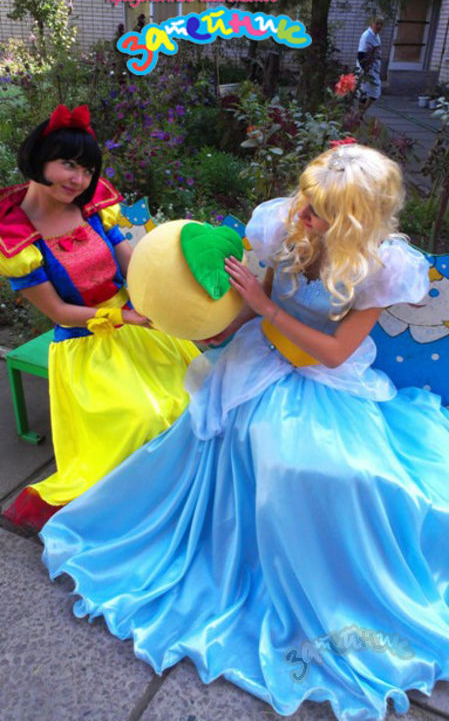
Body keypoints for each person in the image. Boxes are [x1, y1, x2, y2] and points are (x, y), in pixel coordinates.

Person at [41, 144, 449, 720]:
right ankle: (235, 554)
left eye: (317, 212)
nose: (300, 214)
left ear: (352, 223)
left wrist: (264, 307)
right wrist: (219, 327)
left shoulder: (381, 268)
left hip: (323, 379)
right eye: (305, 200)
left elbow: (333, 354)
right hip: (260, 360)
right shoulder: (283, 225)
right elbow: (253, 305)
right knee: (240, 439)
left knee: (326, 471)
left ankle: (316, 580)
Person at [0, 104, 199, 531]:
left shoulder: (91, 205)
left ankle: (187, 491)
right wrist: (123, 317)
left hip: (138, 323)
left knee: (193, 391)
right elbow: (58, 311)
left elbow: (129, 261)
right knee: (144, 417)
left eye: (87, 170)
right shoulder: (15, 237)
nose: (79, 179)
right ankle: (144, 504)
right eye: (68, 164)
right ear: (40, 158)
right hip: (85, 343)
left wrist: (159, 287)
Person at [357, 15, 384, 116]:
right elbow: (361, 54)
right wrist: (365, 69)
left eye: (381, 24)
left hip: (373, 68)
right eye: (377, 24)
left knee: (368, 92)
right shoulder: (367, 36)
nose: (379, 26)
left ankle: (360, 113)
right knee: (372, 91)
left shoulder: (376, 36)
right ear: (372, 24)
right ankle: (360, 113)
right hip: (367, 68)